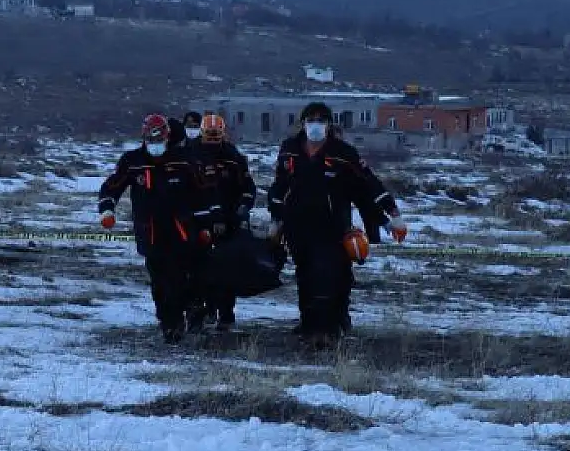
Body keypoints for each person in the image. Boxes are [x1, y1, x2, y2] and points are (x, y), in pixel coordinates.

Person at [267, 101, 406, 345]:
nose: (315, 125)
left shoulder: (343, 152)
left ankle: (329, 328)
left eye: (321, 120)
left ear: (329, 125)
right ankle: (308, 323)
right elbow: (279, 185)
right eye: (311, 120)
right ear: (303, 123)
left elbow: (368, 185)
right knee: (305, 274)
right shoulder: (289, 149)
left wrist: (391, 217)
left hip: (331, 227)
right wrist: (276, 218)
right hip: (297, 226)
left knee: (329, 275)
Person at [98, 113, 213, 343]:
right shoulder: (133, 161)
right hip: (149, 231)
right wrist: (107, 209)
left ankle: (192, 312)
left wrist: (205, 225)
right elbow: (112, 187)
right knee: (159, 281)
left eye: (159, 140)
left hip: (181, 230)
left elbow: (203, 194)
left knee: (183, 276)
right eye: (151, 140)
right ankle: (169, 324)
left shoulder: (184, 160)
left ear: (168, 137)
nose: (155, 145)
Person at [191, 112, 257, 330]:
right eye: (208, 134)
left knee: (228, 269)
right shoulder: (189, 153)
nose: (212, 139)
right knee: (197, 269)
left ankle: (226, 314)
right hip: (197, 220)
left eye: (216, 135)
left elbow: (248, 187)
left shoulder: (233, 156)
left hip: (229, 222)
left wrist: (244, 207)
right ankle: (202, 311)